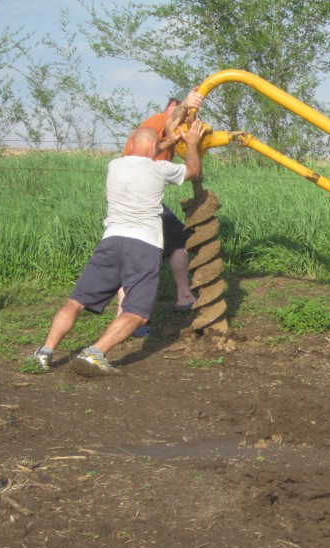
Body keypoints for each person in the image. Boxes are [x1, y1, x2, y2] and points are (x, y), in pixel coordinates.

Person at [28, 121, 205, 376]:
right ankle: (95, 353)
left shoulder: (114, 165)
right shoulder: (160, 170)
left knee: (75, 302)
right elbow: (193, 171)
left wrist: (162, 140)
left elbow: (142, 154)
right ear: (155, 147)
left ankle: (44, 352)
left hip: (111, 242)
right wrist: (190, 143)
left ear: (132, 144)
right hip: (143, 246)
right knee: (137, 313)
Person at [121, 88, 207, 314]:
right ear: (174, 106)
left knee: (126, 250)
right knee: (177, 242)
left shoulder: (157, 136)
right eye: (190, 115)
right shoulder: (160, 120)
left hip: (126, 198)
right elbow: (173, 121)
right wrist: (185, 107)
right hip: (142, 199)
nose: (190, 120)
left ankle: (124, 309)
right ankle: (183, 296)